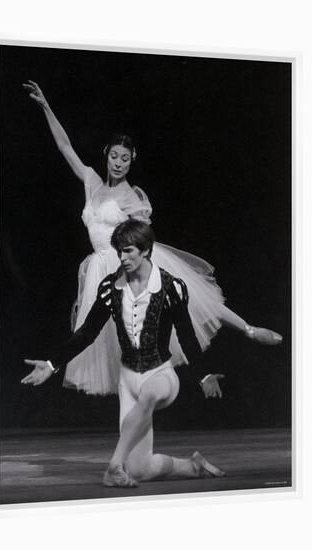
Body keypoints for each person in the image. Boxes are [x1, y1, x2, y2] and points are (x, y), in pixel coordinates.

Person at [22, 81, 282, 396]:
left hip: (128, 261)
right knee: (102, 339)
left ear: (132, 162)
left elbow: (143, 237)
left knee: (192, 303)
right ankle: (136, 420)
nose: (118, 163)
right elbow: (65, 147)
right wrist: (46, 106)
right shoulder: (91, 181)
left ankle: (248, 329)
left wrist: (137, 267)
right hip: (99, 267)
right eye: (114, 156)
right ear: (107, 155)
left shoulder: (132, 198)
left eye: (125, 159)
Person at [22, 220, 226, 487]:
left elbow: (186, 336)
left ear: (146, 251)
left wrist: (204, 374)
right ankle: (192, 466)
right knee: (140, 470)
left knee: (150, 395)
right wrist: (51, 364)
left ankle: (113, 467)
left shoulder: (171, 288)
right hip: (128, 379)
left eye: (129, 251)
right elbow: (87, 333)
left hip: (161, 375)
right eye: (119, 251)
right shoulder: (111, 288)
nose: (122, 257)